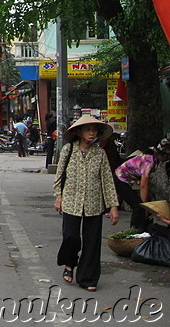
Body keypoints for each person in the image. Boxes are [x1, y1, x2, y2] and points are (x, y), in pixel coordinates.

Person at [53, 115, 119, 292]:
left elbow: (107, 180)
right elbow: (59, 175)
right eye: (88, 129)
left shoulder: (100, 154)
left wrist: (113, 206)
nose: (91, 133)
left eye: (94, 129)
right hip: (71, 201)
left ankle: (88, 277)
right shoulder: (68, 150)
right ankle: (69, 264)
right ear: (79, 131)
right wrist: (58, 196)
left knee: (92, 241)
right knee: (70, 236)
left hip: (93, 203)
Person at [114, 146, 156, 232]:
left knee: (146, 207)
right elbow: (144, 186)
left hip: (127, 179)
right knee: (139, 207)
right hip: (119, 178)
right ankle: (135, 233)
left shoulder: (152, 157)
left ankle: (146, 231)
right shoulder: (149, 162)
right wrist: (145, 205)